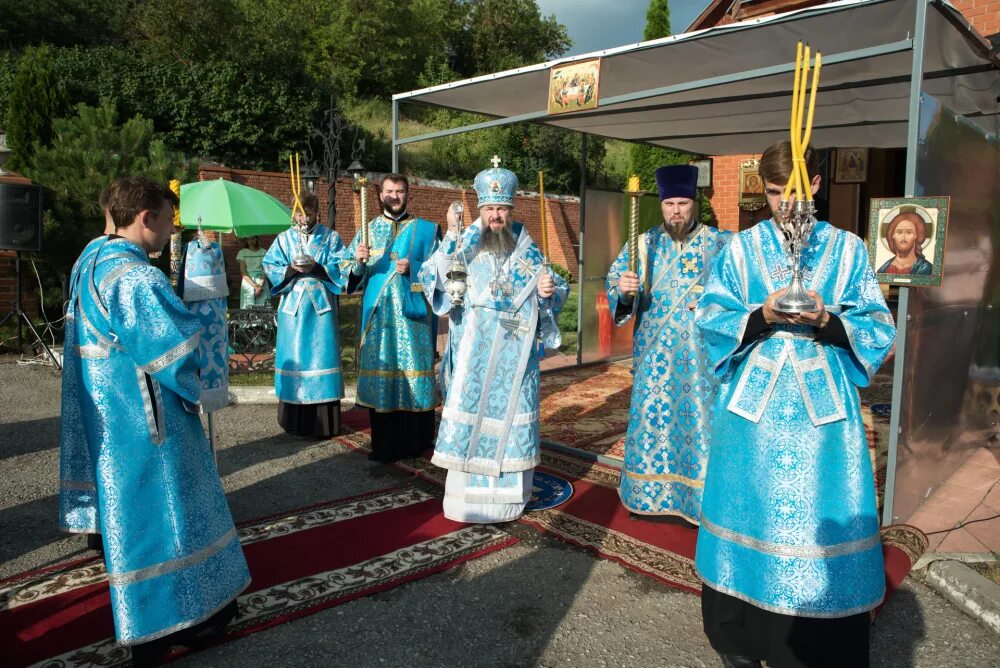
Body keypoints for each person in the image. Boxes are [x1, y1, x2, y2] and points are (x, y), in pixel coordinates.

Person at [694, 141, 896, 668]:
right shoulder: (741, 249)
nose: (787, 204)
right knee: (749, 508)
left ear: (819, 188)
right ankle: (741, 638)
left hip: (822, 415)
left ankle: (818, 645)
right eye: (778, 193)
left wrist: (828, 322)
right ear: (765, 191)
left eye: (798, 193)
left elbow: (877, 325)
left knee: (818, 513)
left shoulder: (848, 249)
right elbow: (712, 317)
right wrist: (760, 314)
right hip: (752, 415)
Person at [59, 177, 249, 664]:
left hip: (109, 412)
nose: (170, 232)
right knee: (169, 513)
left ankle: (171, 613)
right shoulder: (137, 279)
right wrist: (207, 361)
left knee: (137, 514)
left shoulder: (91, 258)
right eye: (167, 221)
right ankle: (172, 620)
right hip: (149, 417)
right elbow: (175, 351)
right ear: (146, 218)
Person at [419, 159, 568, 523]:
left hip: (516, 357)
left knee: (512, 415)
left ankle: (507, 502)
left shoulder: (526, 246)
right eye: (490, 209)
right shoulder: (463, 240)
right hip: (473, 352)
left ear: (511, 209)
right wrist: (449, 241)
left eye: (502, 208)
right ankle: (464, 501)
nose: (496, 215)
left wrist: (548, 292)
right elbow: (432, 275)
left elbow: (553, 286)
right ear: (481, 209)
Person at [606, 165, 731, 523]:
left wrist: (713, 300)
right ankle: (649, 498)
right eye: (669, 203)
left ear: (694, 204)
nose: (676, 210)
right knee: (653, 423)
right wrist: (624, 292)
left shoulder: (720, 244)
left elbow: (739, 293)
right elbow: (617, 289)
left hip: (700, 361)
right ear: (661, 204)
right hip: (654, 359)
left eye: (683, 203)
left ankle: (701, 502)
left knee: (701, 426)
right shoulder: (642, 245)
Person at [345, 174, 440, 462]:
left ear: (407, 194)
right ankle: (385, 446)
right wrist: (359, 263)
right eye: (389, 191)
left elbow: (441, 270)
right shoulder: (368, 230)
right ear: (381, 195)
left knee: (413, 375)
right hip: (380, 321)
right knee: (385, 379)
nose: (395, 196)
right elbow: (350, 275)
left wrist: (416, 267)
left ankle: (416, 443)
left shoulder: (424, 230)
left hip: (413, 318)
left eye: (399, 191)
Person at [58, 180, 121, 552]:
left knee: (91, 442)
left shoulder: (88, 252)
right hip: (110, 371)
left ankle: (94, 526)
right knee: (113, 447)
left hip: (82, 367)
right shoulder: (117, 258)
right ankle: (113, 528)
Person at [263, 192, 347, 439]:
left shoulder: (330, 238)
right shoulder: (283, 239)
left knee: (322, 357)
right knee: (296, 355)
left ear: (317, 212)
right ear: (293, 213)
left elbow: (343, 265)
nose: (304, 218)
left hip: (321, 310)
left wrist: (318, 268)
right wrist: (290, 269)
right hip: (294, 310)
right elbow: (270, 265)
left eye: (309, 213)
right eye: (300, 213)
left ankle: (324, 423)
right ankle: (294, 421)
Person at [876, 210, 932, 275]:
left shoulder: (926, 268)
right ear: (892, 235)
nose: (903, 237)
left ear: (916, 236)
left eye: (909, 232)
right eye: (899, 232)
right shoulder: (883, 270)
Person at [237, 236, 270, 307]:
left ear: (257, 239)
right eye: (248, 239)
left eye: (252, 238)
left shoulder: (264, 252)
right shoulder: (242, 252)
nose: (250, 241)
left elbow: (266, 269)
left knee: (263, 307)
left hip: (262, 280)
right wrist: (254, 285)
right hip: (248, 281)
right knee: (248, 306)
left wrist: (260, 286)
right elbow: (243, 271)